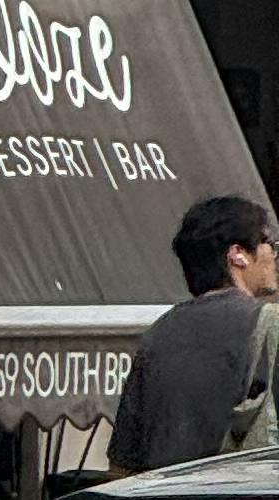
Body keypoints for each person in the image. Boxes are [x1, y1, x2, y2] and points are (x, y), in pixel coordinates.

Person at [107, 191, 279, 471]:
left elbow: (121, 467)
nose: (273, 254)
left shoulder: (157, 336)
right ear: (238, 255)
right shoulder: (271, 324)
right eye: (268, 243)